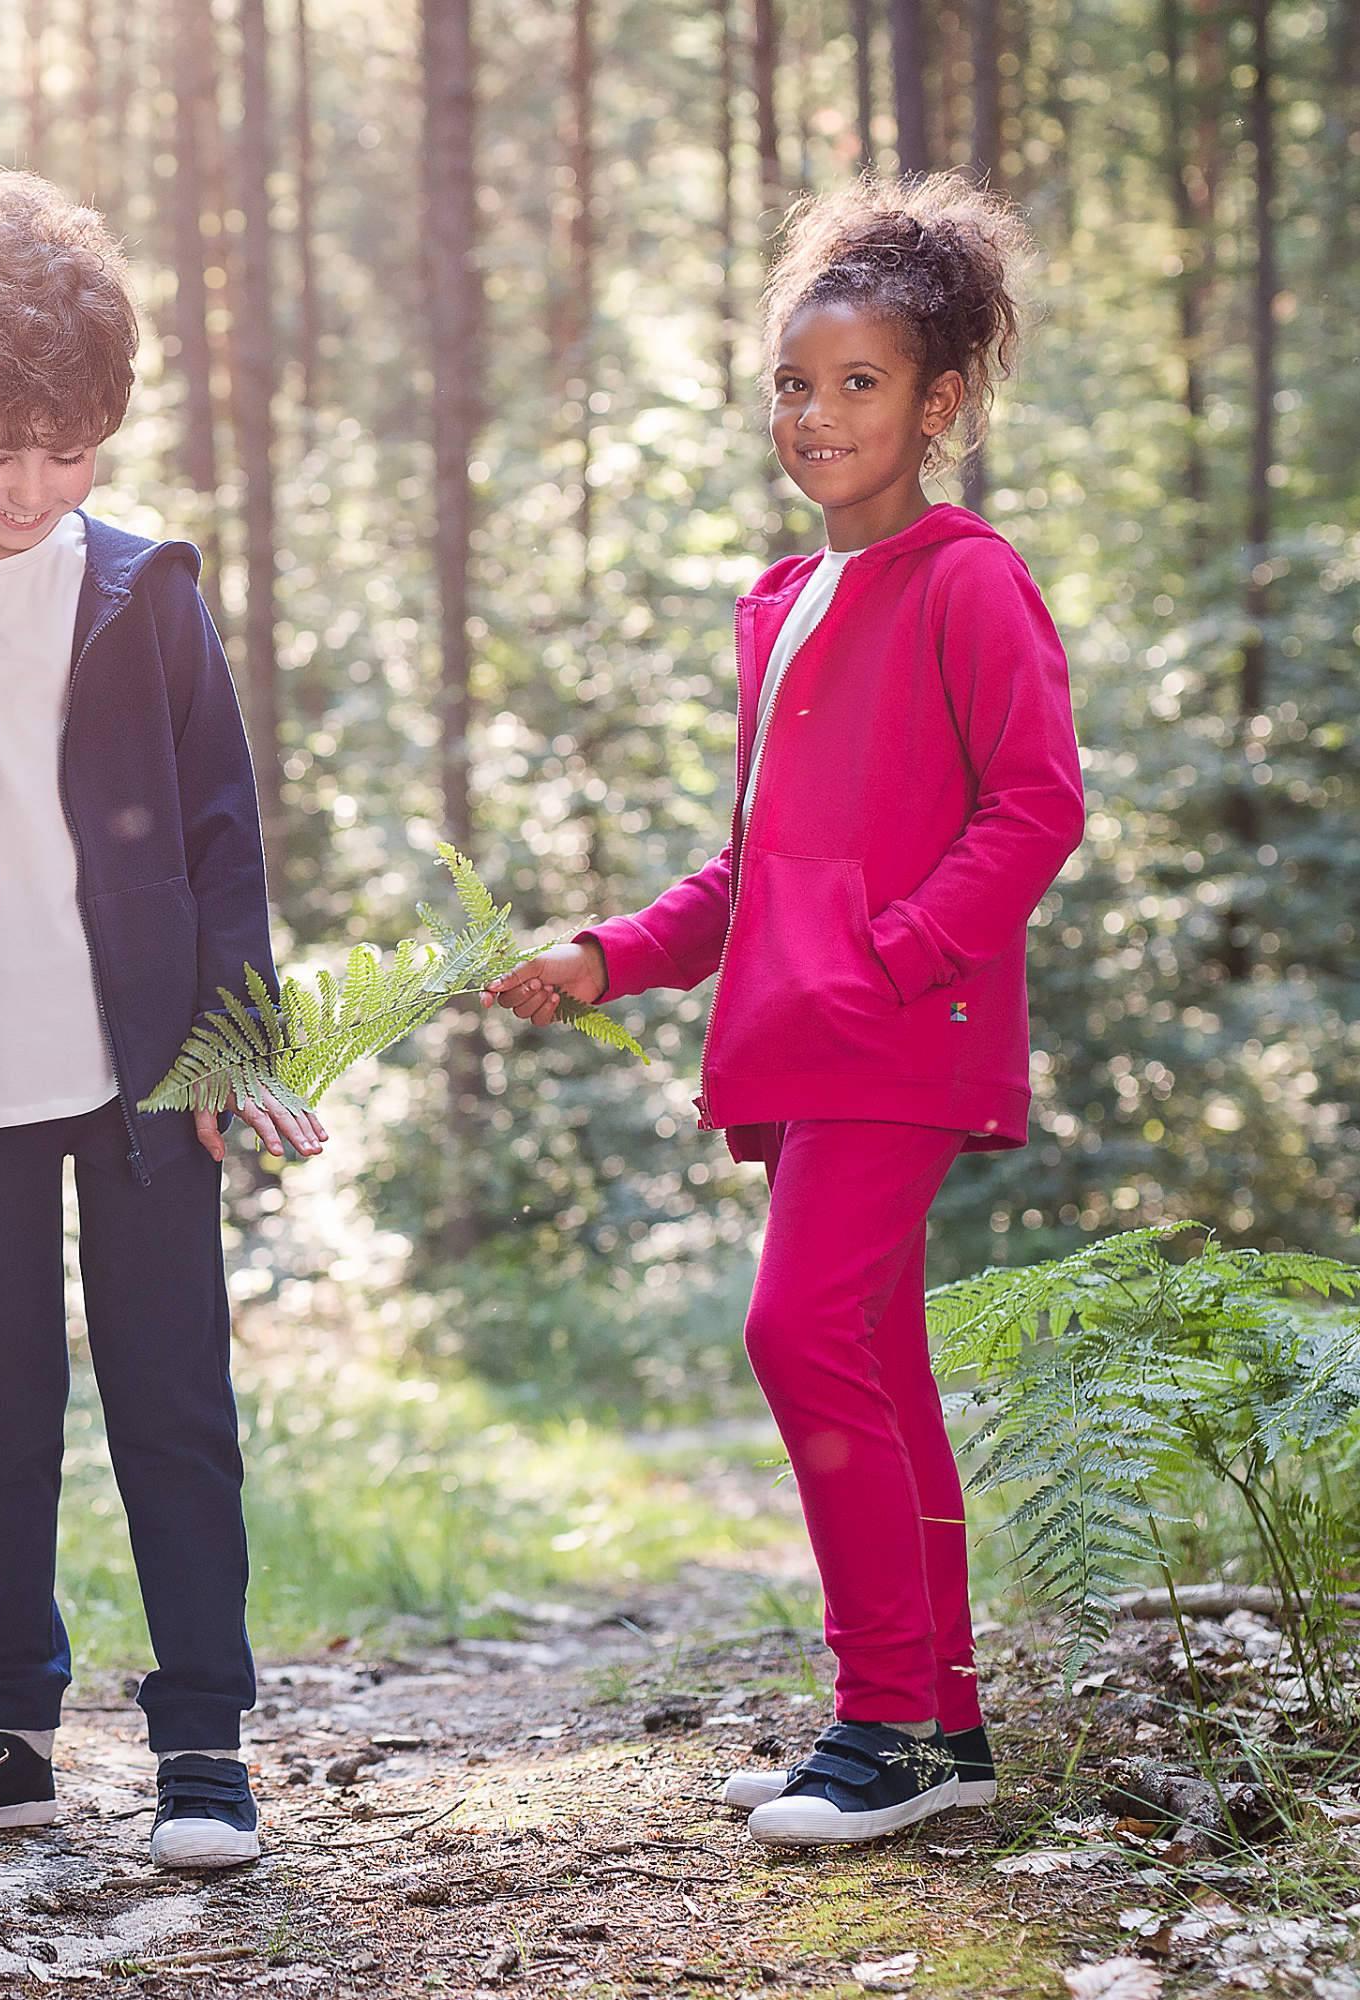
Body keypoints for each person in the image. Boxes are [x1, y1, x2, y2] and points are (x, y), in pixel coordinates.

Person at [485, 174, 1084, 1847]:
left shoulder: (966, 581)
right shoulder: (784, 602)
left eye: (861, 384)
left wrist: (894, 956)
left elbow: (1035, 808)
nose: (817, 415)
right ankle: (945, 1723)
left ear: (941, 404)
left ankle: (879, 1717)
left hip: (901, 1037)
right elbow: (754, 870)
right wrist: (607, 954)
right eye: (794, 386)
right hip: (812, 1043)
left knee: (798, 1331)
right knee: (876, 1357)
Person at [0, 171, 325, 1870]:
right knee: (0, 1415)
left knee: (176, 1403)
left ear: (108, 429)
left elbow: (226, 830)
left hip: (150, 1080)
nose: (32, 487)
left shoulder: (149, 592)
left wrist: (240, 1050)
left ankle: (203, 1753)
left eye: (71, 448)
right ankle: (14, 1733)